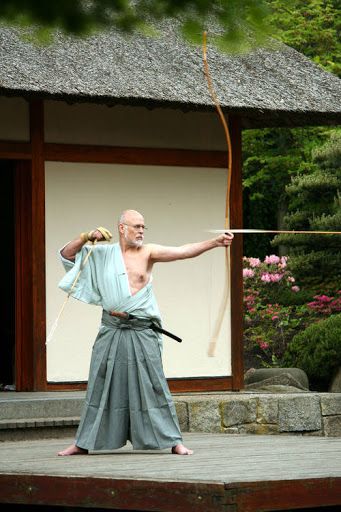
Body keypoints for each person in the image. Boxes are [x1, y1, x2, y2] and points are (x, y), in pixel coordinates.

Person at [57, 209, 233, 456]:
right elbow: (67, 254)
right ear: (121, 228)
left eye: (143, 227)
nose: (141, 231)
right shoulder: (102, 254)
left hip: (141, 329)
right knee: (100, 381)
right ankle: (83, 442)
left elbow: (183, 251)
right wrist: (86, 236)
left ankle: (174, 441)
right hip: (112, 328)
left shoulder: (148, 252)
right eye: (136, 226)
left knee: (154, 383)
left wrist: (214, 242)